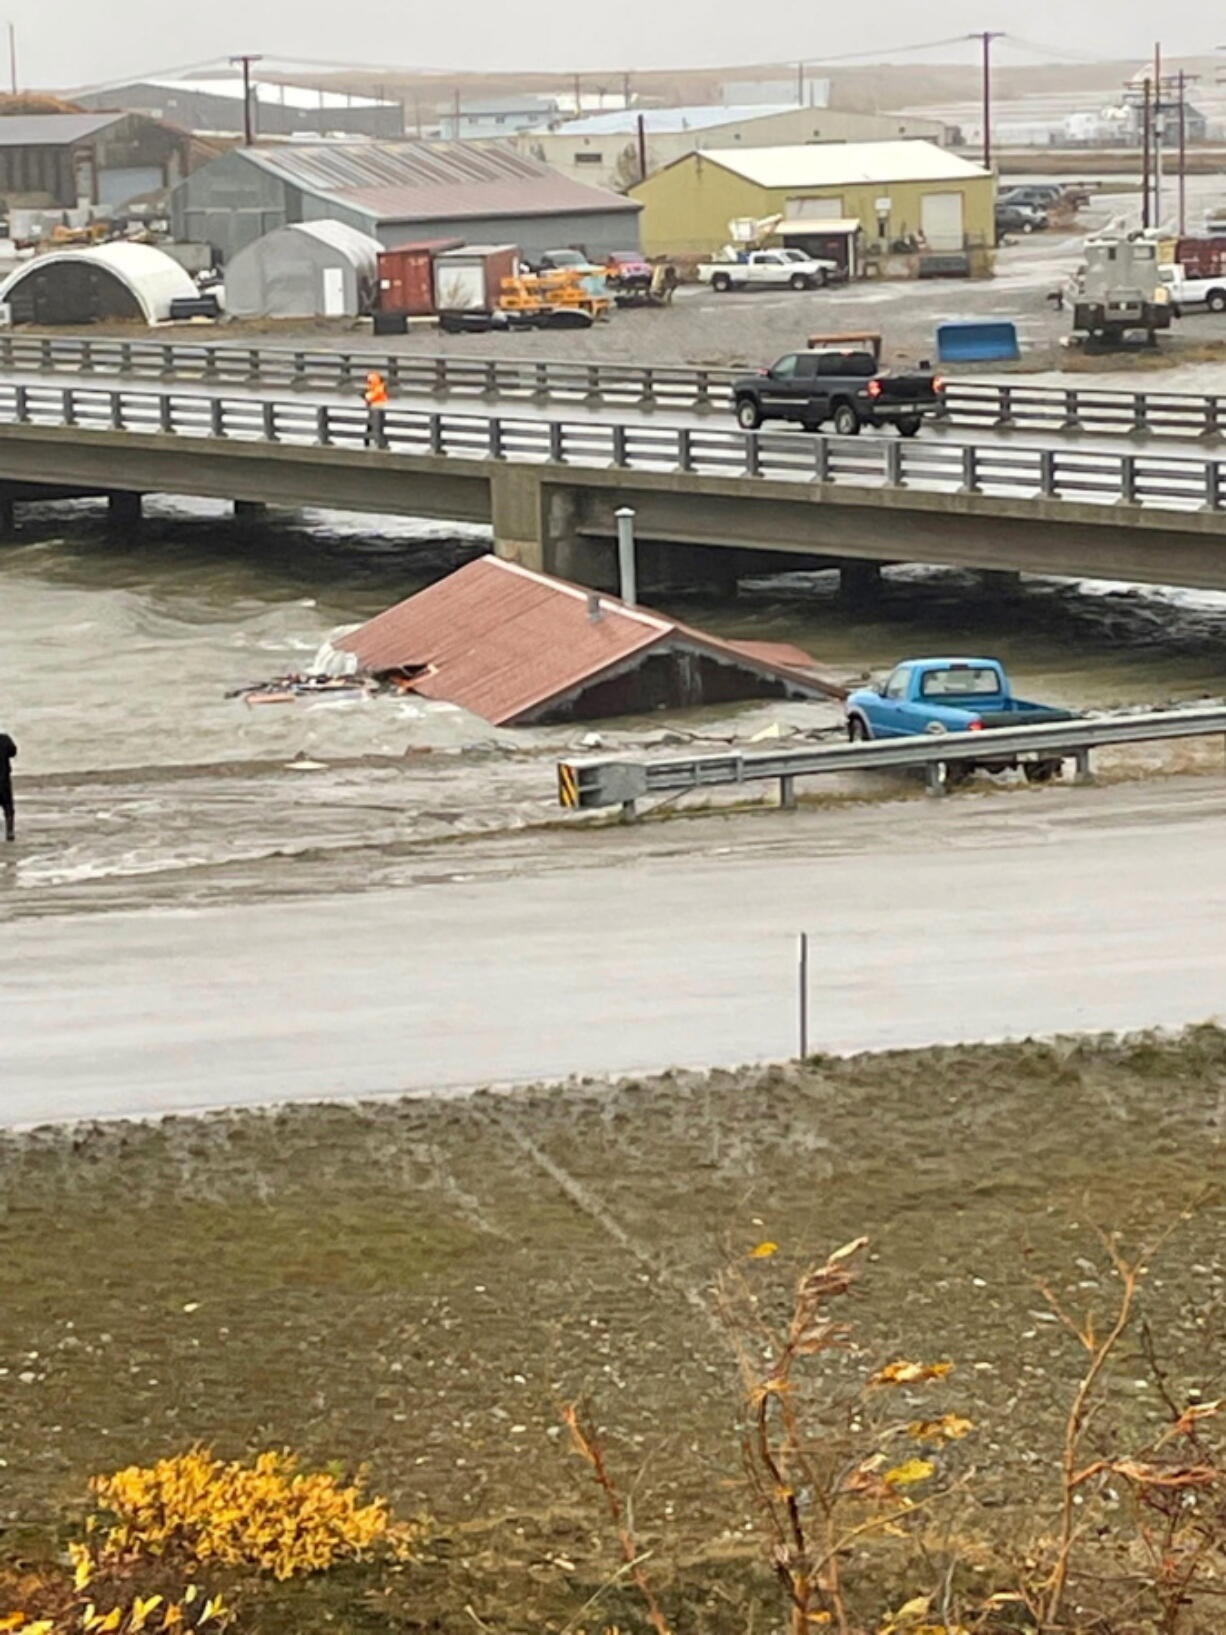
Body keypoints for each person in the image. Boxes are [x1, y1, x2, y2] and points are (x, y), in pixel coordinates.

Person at [363, 370, 389, 447]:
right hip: (378, 406)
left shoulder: (377, 387)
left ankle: (370, 441)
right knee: (376, 425)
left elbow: (371, 396)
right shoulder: (379, 386)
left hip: (376, 406)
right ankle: (374, 441)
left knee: (372, 425)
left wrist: (366, 396)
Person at [0, 730, 15, 842]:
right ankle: (9, 832)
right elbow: (13, 752)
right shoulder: (4, 739)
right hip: (4, 779)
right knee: (8, 807)